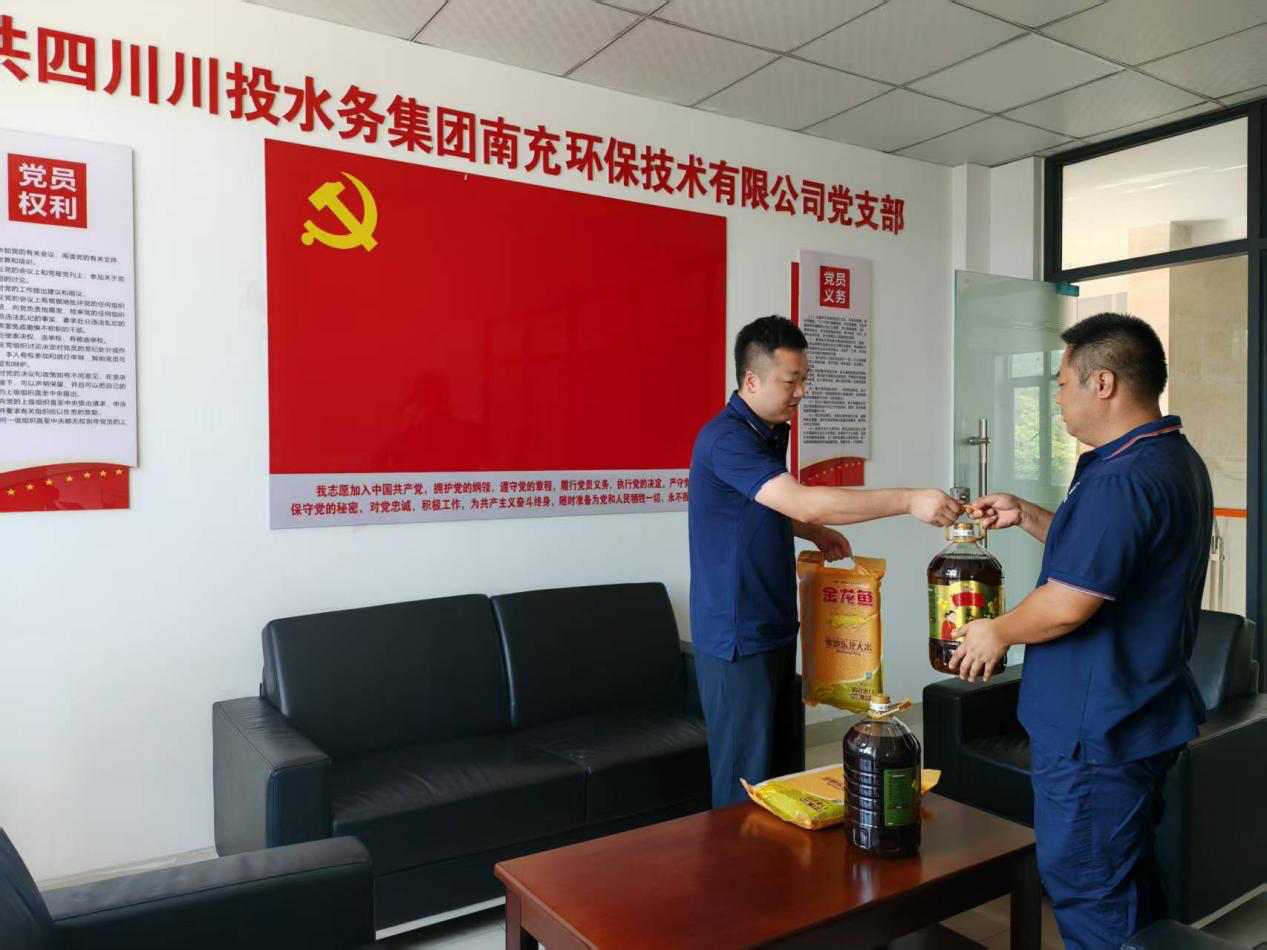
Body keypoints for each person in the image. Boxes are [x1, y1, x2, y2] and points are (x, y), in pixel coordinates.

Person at [950, 312, 1212, 949]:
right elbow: (1105, 558)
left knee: (1092, 891)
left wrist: (997, 630)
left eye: (1062, 383)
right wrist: (1027, 514)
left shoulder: (1122, 478)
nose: (1058, 398)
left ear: (1103, 383)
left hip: (1099, 731)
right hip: (1141, 712)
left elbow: (1069, 603)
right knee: (1128, 880)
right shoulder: (1166, 457)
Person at [688, 315, 960, 808]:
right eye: (791, 380)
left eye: (804, 379)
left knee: (781, 776)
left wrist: (809, 530)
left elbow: (762, 507)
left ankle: (779, 860)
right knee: (743, 785)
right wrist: (907, 499)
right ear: (751, 380)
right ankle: (738, 861)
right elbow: (803, 500)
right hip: (736, 635)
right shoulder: (727, 439)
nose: (801, 392)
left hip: (772, 623)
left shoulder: (765, 432)